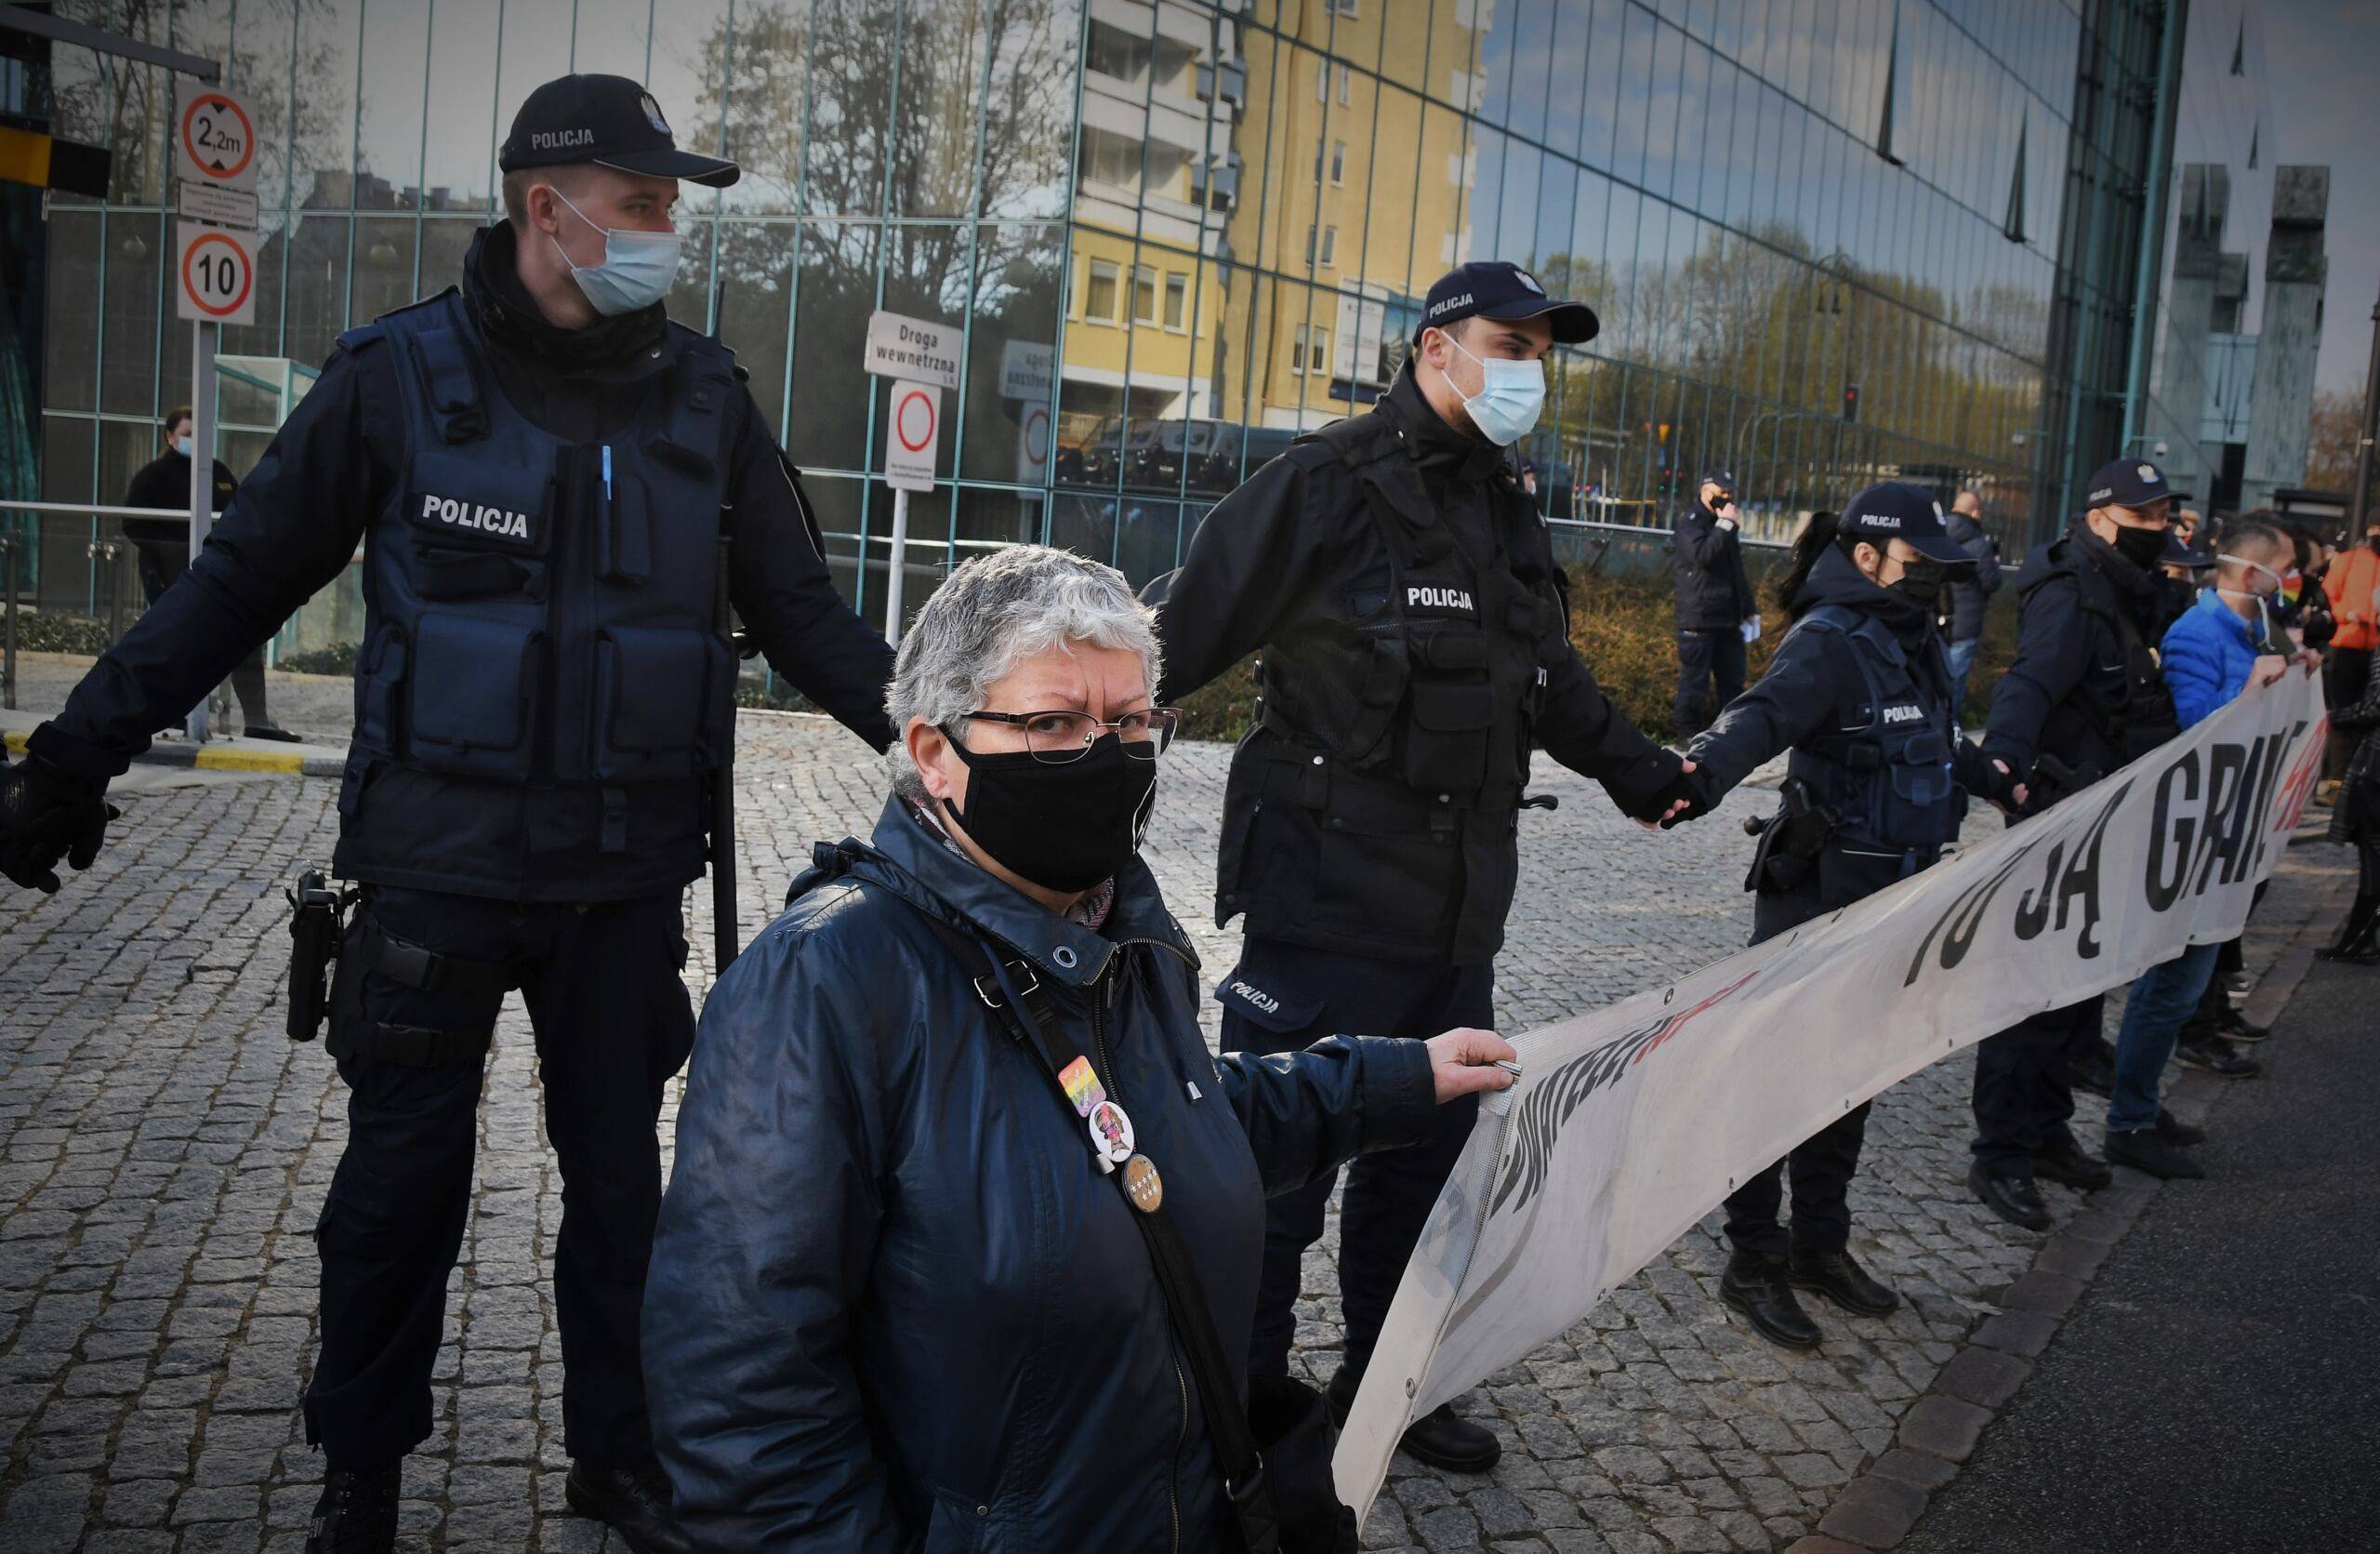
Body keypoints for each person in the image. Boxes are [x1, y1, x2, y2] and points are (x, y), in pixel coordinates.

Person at [0, 73, 903, 1554]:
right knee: (395, 1197)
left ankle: (624, 1460)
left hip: (621, 885)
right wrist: (71, 755)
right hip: (434, 874)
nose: (668, 227)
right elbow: (236, 584)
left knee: (626, 1200)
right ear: (546, 207)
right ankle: (361, 1478)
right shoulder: (396, 380)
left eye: (674, 202)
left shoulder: (706, 403)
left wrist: (957, 752)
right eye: (643, 200)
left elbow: (809, 620)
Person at [641, 546, 1520, 1547]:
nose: (1107, 757)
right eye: (1055, 723)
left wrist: (1389, 1078)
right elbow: (742, 1395)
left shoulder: (1118, 929)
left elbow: (1154, 1132)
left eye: (1132, 721)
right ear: (934, 752)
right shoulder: (827, 980)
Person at [1141, 260, 1706, 1473]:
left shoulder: (1503, 502)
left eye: (1543, 352)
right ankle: (1236, 1400)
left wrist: (1641, 770)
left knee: (1423, 1170)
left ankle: (1388, 1383)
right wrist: (1059, 769)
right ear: (1436, 346)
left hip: (1456, 922)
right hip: (1324, 905)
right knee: (1274, 1177)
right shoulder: (1323, 485)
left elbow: (1545, 674)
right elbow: (1173, 646)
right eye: (1512, 343)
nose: (1529, 372)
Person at [1685, 487, 2019, 1348]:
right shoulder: (1831, 640)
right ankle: (1753, 1258)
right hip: (1815, 905)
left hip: (1892, 907)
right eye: (1919, 566)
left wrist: (2008, 779)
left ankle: (1817, 1245)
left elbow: (1940, 747)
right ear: (1867, 558)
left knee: (1849, 1081)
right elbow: (1757, 717)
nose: (1933, 582)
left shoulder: (1914, 641)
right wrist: (1693, 779)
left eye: (1940, 568)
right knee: (1776, 1086)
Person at [1964, 459, 2196, 1233]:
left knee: (2080, 986)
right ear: (2102, 520)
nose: (2159, 527)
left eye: (2165, 513)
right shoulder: (2072, 593)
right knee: (2032, 989)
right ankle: (1999, 1152)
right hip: (2063, 813)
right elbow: (2028, 683)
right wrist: (2002, 764)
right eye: (2146, 516)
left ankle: (2046, 1128)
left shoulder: (2128, 590)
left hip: (2110, 810)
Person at [2101, 522, 2304, 1179]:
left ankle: (2141, 1105)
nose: (2293, 583)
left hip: (2223, 832)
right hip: (2193, 835)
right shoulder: (2196, 633)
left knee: (2186, 984)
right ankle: (2129, 1121)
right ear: (2253, 575)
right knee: (2171, 982)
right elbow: (2192, 732)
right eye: (2287, 570)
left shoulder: (2247, 630)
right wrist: (2253, 688)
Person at [120, 406, 292, 739]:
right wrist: (168, 554)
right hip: (170, 577)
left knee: (245, 639)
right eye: (186, 434)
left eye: (198, 434)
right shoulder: (153, 476)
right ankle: (173, 715)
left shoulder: (217, 472)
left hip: (220, 575)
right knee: (177, 644)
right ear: (170, 437)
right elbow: (135, 524)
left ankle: (256, 720)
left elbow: (241, 514)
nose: (193, 440)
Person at [1673, 463, 1759, 737]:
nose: (1727, 498)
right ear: (1706, 491)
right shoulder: (1690, 524)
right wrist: (1724, 526)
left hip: (1728, 620)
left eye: (1730, 492)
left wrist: (1748, 608)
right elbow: (1703, 557)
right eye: (1722, 492)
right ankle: (1687, 738)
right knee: (1694, 685)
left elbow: (1736, 570)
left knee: (1733, 684)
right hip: (1699, 619)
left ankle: (1729, 737)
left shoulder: (1726, 526)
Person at [2319, 635, 2380, 963]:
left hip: (2376, 768)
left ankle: (2362, 940)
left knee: (2373, 854)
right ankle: (2361, 938)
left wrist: (2334, 718)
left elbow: (2375, 706)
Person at [2321, 510, 2380, 794]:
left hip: (2375, 649)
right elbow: (2330, 595)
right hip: (2346, 645)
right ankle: (2337, 779)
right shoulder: (2348, 561)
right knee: (2344, 712)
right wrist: (2347, 614)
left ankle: (2358, 778)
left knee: (2368, 715)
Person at [1940, 489, 2002, 722]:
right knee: (1954, 685)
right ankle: (1949, 732)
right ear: (1976, 512)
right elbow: (1991, 582)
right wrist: (1994, 563)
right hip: (1965, 624)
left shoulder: (1936, 534)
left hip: (1937, 621)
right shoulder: (1978, 545)